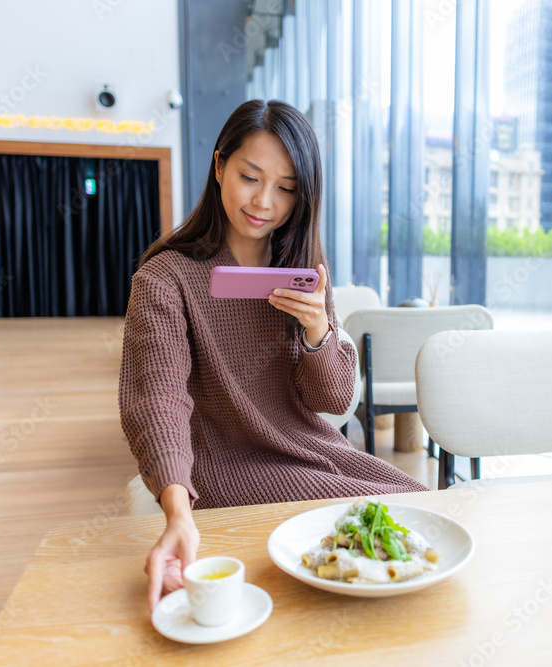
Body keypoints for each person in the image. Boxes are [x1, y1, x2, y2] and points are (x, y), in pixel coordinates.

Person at [119, 100, 427, 611]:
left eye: (286, 188)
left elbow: (330, 399)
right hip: (226, 463)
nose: (264, 202)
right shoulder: (165, 278)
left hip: (316, 449)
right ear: (219, 166)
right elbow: (158, 400)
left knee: (421, 503)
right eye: (250, 177)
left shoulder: (305, 269)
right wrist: (175, 509)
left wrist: (317, 330)